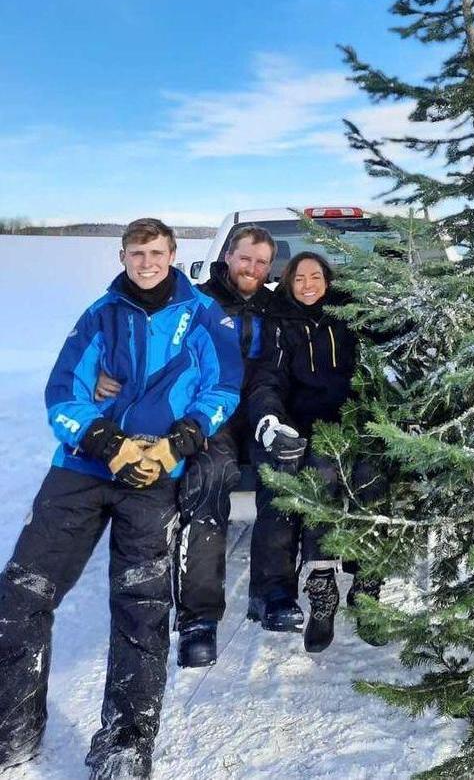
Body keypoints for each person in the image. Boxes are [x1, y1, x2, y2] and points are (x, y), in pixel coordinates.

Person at [0, 219, 243, 778]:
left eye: (157, 252)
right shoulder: (99, 315)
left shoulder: (204, 314)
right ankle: (11, 727)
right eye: (138, 252)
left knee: (142, 605)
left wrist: (175, 444)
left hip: (155, 470)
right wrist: (107, 441)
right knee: (22, 594)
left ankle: (126, 743)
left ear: (174, 254)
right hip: (82, 468)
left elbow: (222, 389)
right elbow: (63, 393)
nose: (148, 262)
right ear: (123, 255)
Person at [96, 226, 278, 668]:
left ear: (271, 268)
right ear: (227, 257)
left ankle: (272, 595)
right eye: (244, 258)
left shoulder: (279, 306)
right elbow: (140, 339)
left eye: (261, 262)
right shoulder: (195, 301)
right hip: (207, 419)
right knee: (209, 483)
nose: (251, 268)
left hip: (266, 414)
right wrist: (100, 376)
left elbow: (327, 318)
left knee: (282, 480)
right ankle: (199, 618)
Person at [246, 251, 386, 653]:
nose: (308, 285)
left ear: (328, 280)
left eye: (316, 277)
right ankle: (322, 591)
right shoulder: (279, 322)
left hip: (357, 421)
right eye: (300, 278)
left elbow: (390, 342)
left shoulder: (349, 315)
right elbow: (268, 379)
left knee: (369, 476)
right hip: (304, 425)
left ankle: (368, 586)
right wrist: (271, 419)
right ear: (288, 282)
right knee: (320, 478)